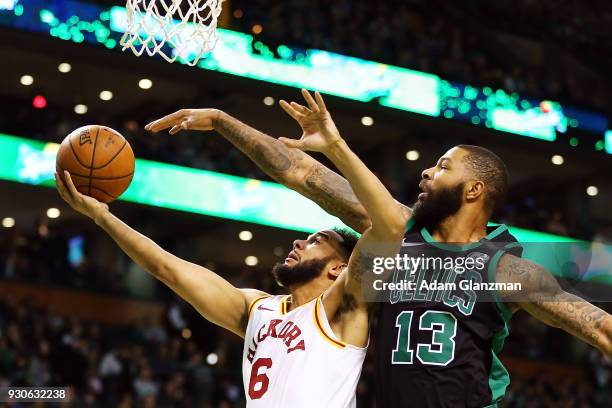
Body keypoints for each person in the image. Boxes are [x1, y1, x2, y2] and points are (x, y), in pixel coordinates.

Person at [147, 89, 612, 407]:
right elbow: (299, 171)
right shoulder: (396, 232)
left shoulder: (505, 269)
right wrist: (223, 122)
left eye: (443, 167)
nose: (427, 173)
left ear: (473, 191)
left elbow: (598, 327)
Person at [55, 90, 405, 407]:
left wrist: (336, 147)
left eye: (316, 241)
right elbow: (167, 269)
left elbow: (389, 225)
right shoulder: (257, 309)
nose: (298, 242)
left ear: (339, 269)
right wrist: (102, 217)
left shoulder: (346, 306)